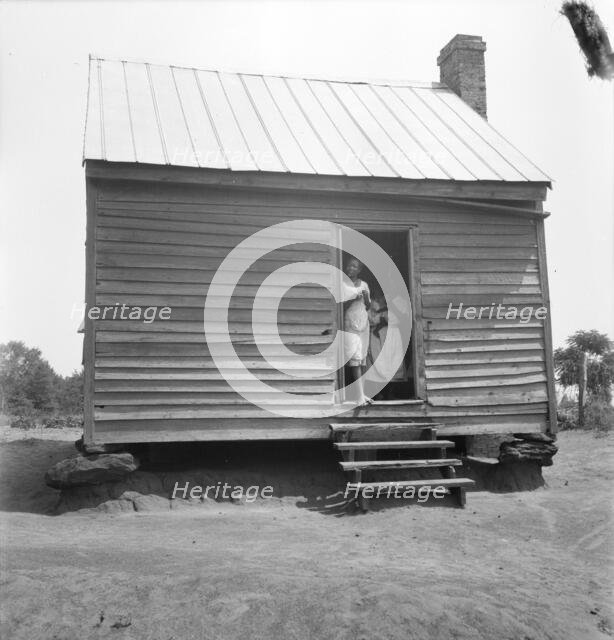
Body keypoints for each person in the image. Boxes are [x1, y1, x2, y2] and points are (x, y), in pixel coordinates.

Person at [341, 257, 371, 406]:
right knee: (355, 357)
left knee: (363, 358)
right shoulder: (343, 284)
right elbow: (339, 306)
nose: (351, 268)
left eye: (354, 267)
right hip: (350, 322)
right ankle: (359, 396)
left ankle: (363, 393)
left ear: (359, 270)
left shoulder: (364, 284)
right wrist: (352, 299)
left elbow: (369, 305)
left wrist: (365, 296)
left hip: (363, 321)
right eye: (349, 266)